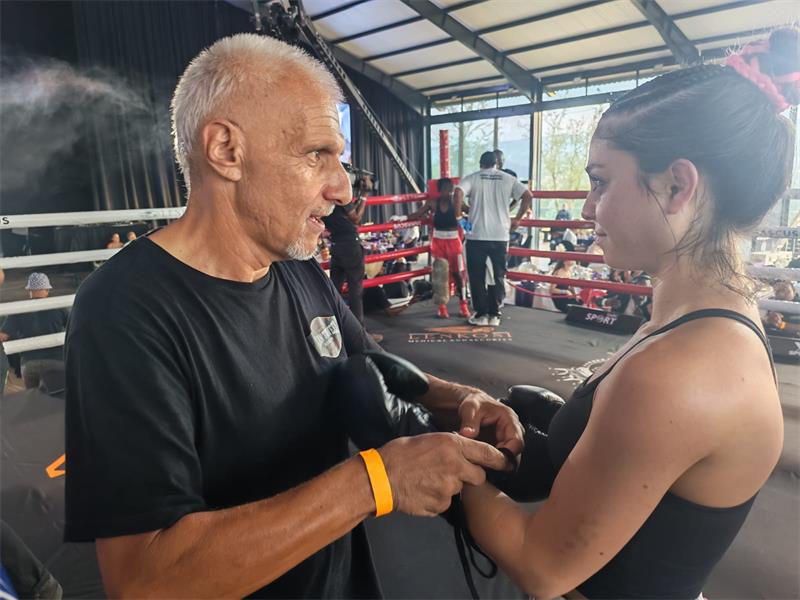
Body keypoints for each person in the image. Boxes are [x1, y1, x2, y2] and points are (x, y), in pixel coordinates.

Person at [64, 34, 521, 599]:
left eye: (341, 159)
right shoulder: (125, 309)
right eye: (315, 155)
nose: (342, 187)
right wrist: (376, 479)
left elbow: (370, 362)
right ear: (226, 150)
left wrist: (459, 398)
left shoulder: (296, 266)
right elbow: (147, 581)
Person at [461, 29, 797, 599]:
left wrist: (445, 461)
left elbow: (542, 566)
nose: (588, 207)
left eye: (599, 181)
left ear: (675, 185)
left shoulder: (680, 370)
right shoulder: (702, 321)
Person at [456, 151, 532, 326]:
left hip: (476, 235)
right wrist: (518, 219)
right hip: (500, 235)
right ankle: (495, 314)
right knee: (497, 275)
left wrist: (459, 217)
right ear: (497, 163)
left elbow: (458, 194)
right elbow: (528, 195)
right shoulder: (507, 178)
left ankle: (481, 314)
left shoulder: (473, 178)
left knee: (477, 276)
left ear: (480, 163)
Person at [408, 178, 469, 318]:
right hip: (438, 241)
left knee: (458, 274)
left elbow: (472, 211)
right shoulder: (433, 203)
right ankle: (442, 307)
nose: (450, 192)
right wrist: (402, 218)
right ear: (441, 190)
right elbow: (418, 214)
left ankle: (463, 304)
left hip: (453, 240)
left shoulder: (456, 202)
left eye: (451, 189)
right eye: (447, 189)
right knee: (440, 273)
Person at [0, 272, 68, 389]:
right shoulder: (59, 307)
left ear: (29, 290)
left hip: (29, 363)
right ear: (47, 289)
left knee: (32, 399)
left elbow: (2, 336)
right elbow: (73, 327)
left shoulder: (20, 310)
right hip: (56, 361)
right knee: (58, 399)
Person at [323, 175, 369, 325]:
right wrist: (365, 194)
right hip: (350, 246)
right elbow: (356, 218)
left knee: (334, 290)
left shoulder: (322, 197)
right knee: (355, 291)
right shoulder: (339, 196)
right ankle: (360, 335)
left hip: (336, 246)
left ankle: (335, 328)